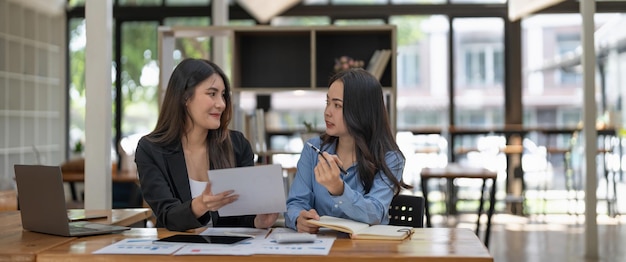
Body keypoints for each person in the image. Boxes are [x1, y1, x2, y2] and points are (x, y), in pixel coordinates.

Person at [135, 58, 278, 232]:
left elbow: (241, 216)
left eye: (223, 95)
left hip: (228, 253)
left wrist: (258, 221)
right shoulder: (150, 149)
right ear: (185, 97)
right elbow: (167, 216)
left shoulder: (238, 145)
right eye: (212, 94)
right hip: (176, 252)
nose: (222, 104)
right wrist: (201, 205)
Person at [285, 68, 411, 233]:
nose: (327, 112)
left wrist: (339, 190)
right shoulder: (313, 150)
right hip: (320, 250)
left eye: (337, 105)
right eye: (327, 102)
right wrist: (298, 219)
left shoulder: (390, 159)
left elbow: (375, 213)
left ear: (361, 111)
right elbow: (295, 203)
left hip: (368, 251)